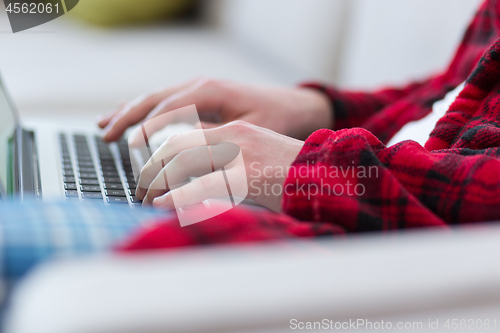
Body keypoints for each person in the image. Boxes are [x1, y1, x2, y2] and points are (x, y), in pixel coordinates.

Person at [98, 0, 500, 247]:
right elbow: (452, 94)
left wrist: (306, 169)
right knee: (98, 167)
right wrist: (317, 108)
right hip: (345, 202)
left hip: (366, 252)